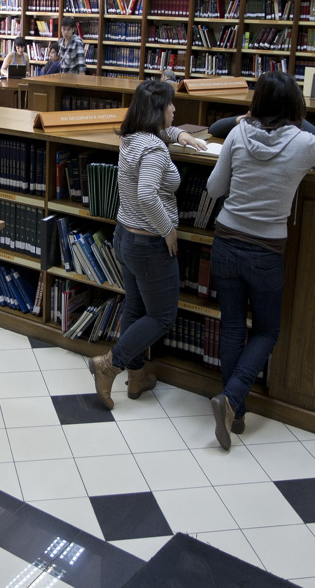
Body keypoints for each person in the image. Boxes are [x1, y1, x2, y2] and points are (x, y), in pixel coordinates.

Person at [205, 71, 315, 450]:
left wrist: (245, 124)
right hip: (265, 251)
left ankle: (234, 411)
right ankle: (232, 399)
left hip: (224, 242)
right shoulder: (304, 142)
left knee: (231, 328)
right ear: (295, 107)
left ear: (255, 103)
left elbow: (213, 188)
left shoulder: (238, 134)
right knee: (268, 331)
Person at [88, 80, 208, 409]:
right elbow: (146, 194)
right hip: (150, 243)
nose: (174, 109)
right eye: (170, 105)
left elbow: (159, 135)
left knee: (136, 308)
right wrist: (168, 229)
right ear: (156, 111)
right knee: (162, 315)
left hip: (125, 236)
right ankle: (109, 365)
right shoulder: (153, 150)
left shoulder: (133, 137)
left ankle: (137, 377)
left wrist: (179, 134)